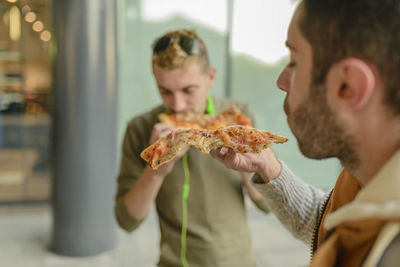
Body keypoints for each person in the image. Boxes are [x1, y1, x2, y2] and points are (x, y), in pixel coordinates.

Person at [211, 1, 400, 266]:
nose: (281, 81)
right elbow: (329, 223)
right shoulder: (366, 175)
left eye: (294, 61)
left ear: (349, 86)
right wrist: (268, 167)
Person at [114, 29, 270, 267]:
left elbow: (267, 205)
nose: (177, 105)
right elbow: (127, 221)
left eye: (189, 91)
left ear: (211, 77)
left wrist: (247, 165)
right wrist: (156, 171)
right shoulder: (140, 128)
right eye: (165, 91)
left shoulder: (238, 116)